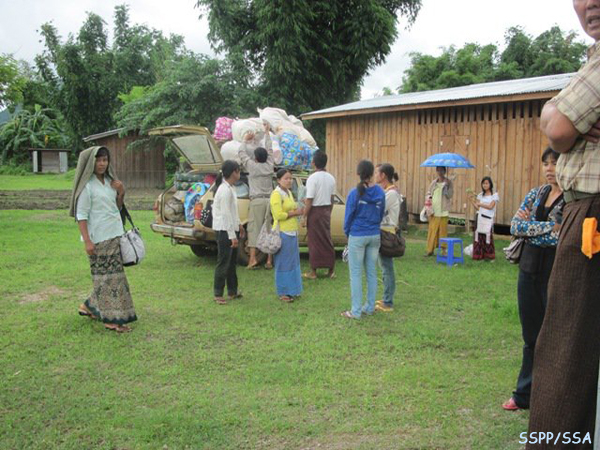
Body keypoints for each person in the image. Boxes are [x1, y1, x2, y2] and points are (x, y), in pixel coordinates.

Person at [526, 1, 600, 445]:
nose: (590, 3)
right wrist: (558, 112)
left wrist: (560, 116)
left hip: (591, 212)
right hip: (582, 213)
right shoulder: (591, 60)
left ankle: (557, 442)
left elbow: (555, 130)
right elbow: (553, 118)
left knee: (564, 348)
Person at [502, 147, 564, 413]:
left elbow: (563, 237)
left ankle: (551, 395)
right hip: (528, 269)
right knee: (530, 336)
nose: (549, 168)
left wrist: (533, 230)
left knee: (554, 335)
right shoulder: (536, 194)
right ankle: (523, 393)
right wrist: (549, 225)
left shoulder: (572, 200)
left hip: (556, 270)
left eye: (555, 163)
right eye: (545, 163)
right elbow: (515, 226)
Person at [69, 146, 137, 333]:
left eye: (105, 160)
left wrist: (121, 192)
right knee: (107, 280)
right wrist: (87, 241)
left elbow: (116, 207)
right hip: (97, 239)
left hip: (114, 235)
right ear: (91, 163)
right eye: (98, 160)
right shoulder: (87, 187)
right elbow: (81, 215)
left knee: (113, 278)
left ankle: (89, 306)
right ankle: (111, 320)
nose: (102, 164)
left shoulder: (110, 182)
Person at [341, 160, 385, 319]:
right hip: (374, 235)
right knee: (372, 272)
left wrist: (348, 232)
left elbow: (348, 217)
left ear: (358, 174)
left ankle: (356, 311)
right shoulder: (380, 192)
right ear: (372, 174)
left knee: (356, 274)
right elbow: (381, 214)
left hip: (358, 235)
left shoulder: (354, 193)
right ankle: (370, 307)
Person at [238, 123, 274, 270]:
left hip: (257, 201)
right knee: (269, 230)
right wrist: (266, 133)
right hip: (270, 201)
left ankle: (252, 259)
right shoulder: (270, 165)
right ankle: (269, 261)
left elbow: (241, 153)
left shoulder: (252, 166)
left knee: (254, 229)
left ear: (256, 158)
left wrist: (245, 141)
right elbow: (270, 150)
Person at [212, 160, 245, 305]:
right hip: (224, 230)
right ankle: (218, 292)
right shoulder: (224, 190)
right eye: (238, 171)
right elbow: (225, 214)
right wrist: (232, 236)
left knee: (232, 262)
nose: (240, 174)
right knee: (223, 262)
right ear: (233, 172)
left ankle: (233, 290)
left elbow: (233, 211)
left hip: (231, 227)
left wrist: (239, 225)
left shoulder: (231, 188)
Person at [270, 169, 304, 303]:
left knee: (293, 262)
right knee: (283, 263)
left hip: (292, 231)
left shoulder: (288, 192)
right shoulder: (276, 194)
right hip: (282, 232)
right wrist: (294, 214)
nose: (289, 181)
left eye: (290, 178)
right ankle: (283, 291)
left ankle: (293, 289)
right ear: (278, 180)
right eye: (286, 178)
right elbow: (278, 215)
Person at [302, 150, 337, 280]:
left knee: (314, 241)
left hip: (315, 211)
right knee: (327, 238)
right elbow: (332, 198)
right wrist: (329, 211)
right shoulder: (331, 177)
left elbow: (309, 200)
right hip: (326, 210)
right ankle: (331, 269)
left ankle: (314, 271)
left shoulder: (312, 178)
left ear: (314, 163)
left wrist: (305, 215)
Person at [375, 163, 401, 313]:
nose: (375, 175)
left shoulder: (390, 194)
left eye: (377, 173)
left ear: (383, 175)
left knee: (387, 268)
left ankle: (388, 300)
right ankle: (386, 297)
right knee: (384, 266)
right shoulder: (387, 192)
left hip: (387, 232)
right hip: (383, 231)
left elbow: (379, 209)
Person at [469, 177, 500, 261]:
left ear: (490, 184)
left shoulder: (494, 195)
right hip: (479, 217)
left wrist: (480, 204)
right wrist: (471, 200)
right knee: (478, 237)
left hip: (488, 218)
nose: (485, 185)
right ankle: (478, 255)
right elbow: (477, 207)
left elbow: (490, 206)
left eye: (487, 183)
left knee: (487, 236)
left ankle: (489, 255)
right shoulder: (480, 195)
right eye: (483, 183)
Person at [425, 166, 453, 256]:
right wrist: (428, 207)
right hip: (434, 211)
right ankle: (430, 250)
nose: (440, 172)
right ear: (436, 171)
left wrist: (446, 189)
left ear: (445, 171)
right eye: (438, 170)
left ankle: (444, 251)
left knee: (443, 231)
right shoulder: (433, 183)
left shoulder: (449, 182)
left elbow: (450, 195)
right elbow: (428, 194)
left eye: (442, 170)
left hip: (443, 211)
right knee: (432, 230)